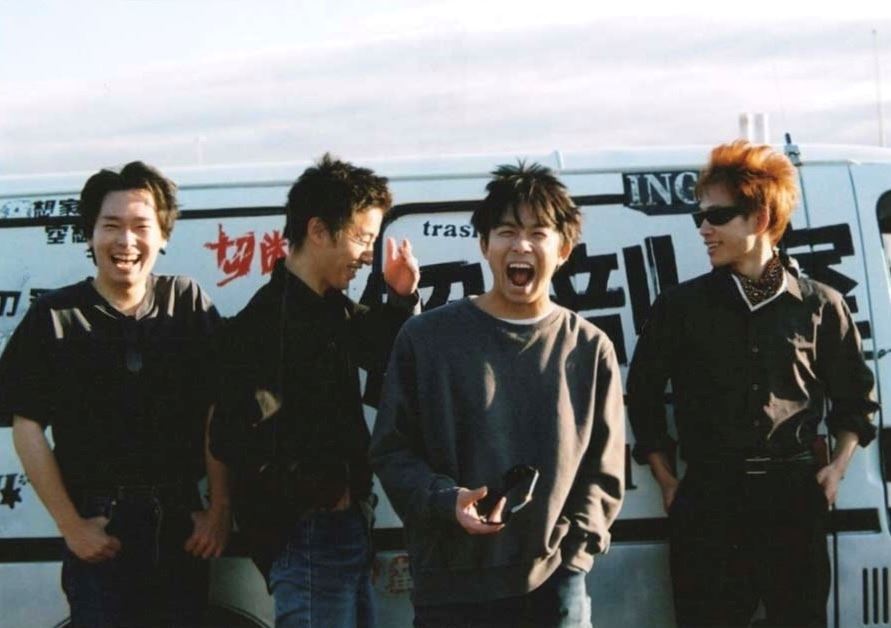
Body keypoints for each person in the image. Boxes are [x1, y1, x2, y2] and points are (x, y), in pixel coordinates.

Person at [626, 139, 879, 627]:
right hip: (710, 498)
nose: (703, 229)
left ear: (761, 218)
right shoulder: (680, 308)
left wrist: (837, 469)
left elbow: (856, 397)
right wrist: (668, 479)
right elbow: (644, 395)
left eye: (717, 216)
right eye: (700, 216)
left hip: (794, 497)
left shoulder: (820, 304)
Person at [370, 162, 625, 628]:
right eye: (506, 231)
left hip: (553, 587)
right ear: (484, 245)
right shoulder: (426, 339)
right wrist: (445, 501)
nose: (520, 245)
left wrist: (574, 558)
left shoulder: (589, 348)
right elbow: (392, 450)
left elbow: (605, 471)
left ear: (564, 250)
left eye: (538, 233)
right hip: (451, 589)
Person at [1, 161, 230, 627]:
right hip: (99, 529)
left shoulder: (186, 304)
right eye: (111, 225)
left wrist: (220, 511)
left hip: (181, 528)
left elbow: (220, 412)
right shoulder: (55, 316)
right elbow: (26, 425)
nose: (126, 241)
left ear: (163, 236)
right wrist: (71, 526)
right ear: (89, 234)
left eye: (141, 227)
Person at [210, 154, 420, 628]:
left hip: (343, 528)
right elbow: (229, 437)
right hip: (306, 533)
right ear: (319, 231)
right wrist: (316, 489)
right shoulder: (263, 326)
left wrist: (401, 297)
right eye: (364, 238)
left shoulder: (330, 309)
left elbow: (384, 353)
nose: (368, 255)